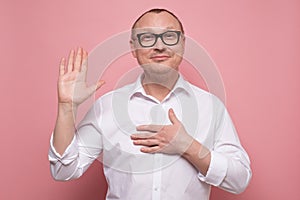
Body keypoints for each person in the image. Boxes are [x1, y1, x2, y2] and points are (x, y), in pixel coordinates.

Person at [48, 8, 251, 200]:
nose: (159, 46)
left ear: (183, 44)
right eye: (147, 38)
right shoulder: (107, 106)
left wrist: (188, 147)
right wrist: (67, 107)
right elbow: (63, 169)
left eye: (169, 36)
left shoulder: (210, 107)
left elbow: (239, 180)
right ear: (133, 48)